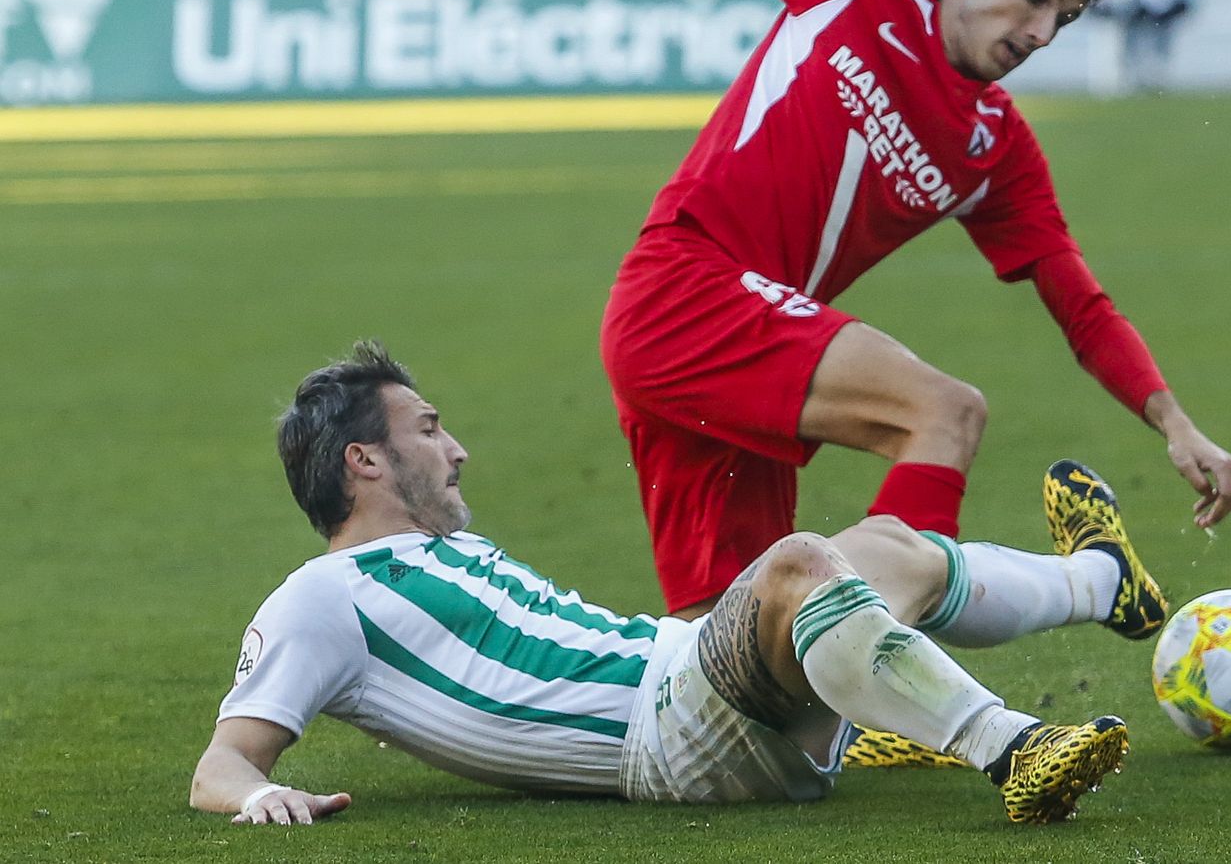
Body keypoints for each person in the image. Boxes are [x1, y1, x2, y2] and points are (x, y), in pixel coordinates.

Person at [385, 0, 1231, 622]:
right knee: (943, 413)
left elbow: (1079, 302)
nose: (1043, 31)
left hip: (747, 340)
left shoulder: (996, 148)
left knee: (741, 642)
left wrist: (1174, 421)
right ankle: (1023, 616)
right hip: (686, 285)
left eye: (1063, 18)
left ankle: (911, 665)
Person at [190, 342, 1171, 826]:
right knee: (796, 562)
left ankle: (1100, 579)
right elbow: (222, 762)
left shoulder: (435, 554)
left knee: (878, 541)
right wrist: (259, 797)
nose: (457, 449)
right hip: (665, 738)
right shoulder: (322, 598)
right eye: (430, 428)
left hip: (687, 680)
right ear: (364, 461)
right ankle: (1010, 748)